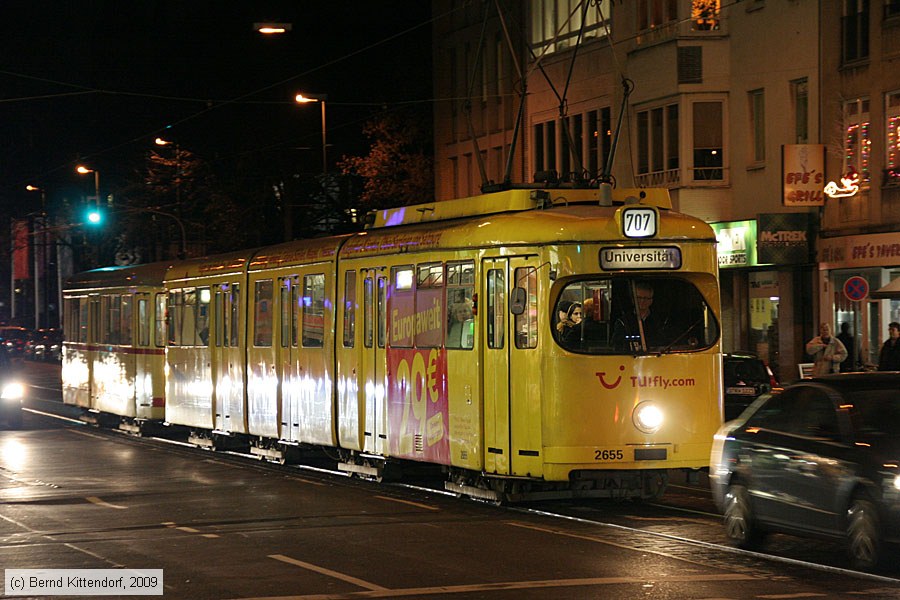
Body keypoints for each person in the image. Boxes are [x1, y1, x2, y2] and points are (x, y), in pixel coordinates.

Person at [612, 281, 664, 351]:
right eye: (639, 298)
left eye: (646, 298)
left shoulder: (659, 321)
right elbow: (617, 346)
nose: (642, 301)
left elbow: (663, 343)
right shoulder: (623, 322)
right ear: (633, 299)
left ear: (651, 301)